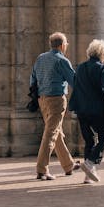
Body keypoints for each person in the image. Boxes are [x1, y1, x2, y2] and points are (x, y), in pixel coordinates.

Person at [30, 32, 81, 180]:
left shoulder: (41, 58)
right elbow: (74, 81)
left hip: (42, 99)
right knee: (51, 134)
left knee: (56, 133)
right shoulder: (62, 61)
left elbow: (32, 79)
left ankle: (68, 165)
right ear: (62, 45)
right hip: (56, 99)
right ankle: (42, 169)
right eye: (66, 44)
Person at [69, 39, 104, 183]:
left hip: (81, 109)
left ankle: (88, 175)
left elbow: (76, 85)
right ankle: (90, 163)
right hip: (96, 109)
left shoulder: (80, 67)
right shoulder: (100, 68)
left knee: (89, 140)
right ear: (102, 54)